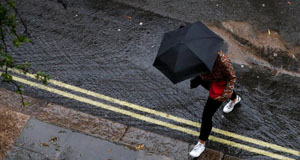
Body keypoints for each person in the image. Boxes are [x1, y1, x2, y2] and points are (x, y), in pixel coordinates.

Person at [189, 50, 241, 158]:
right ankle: (235, 99)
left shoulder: (223, 61)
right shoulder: (197, 55)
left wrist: (224, 95)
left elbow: (232, 78)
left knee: (206, 115)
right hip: (207, 78)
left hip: (219, 84)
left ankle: (201, 143)